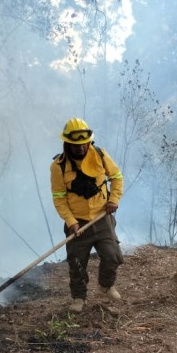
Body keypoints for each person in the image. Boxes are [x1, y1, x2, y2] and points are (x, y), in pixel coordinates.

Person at [50, 117, 124, 313]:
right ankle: (78, 297)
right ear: (67, 143)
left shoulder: (100, 155)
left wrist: (113, 200)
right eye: (75, 145)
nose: (81, 149)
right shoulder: (58, 167)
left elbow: (116, 177)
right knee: (77, 263)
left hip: (102, 218)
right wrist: (71, 221)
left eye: (84, 144)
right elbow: (59, 198)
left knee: (113, 256)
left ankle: (106, 285)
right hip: (78, 223)